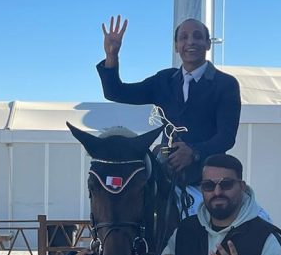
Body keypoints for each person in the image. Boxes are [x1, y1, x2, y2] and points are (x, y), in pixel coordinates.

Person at [96, 15, 241, 186]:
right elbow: (115, 92)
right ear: (176, 46)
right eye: (183, 37)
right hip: (166, 178)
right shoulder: (163, 80)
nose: (190, 42)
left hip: (207, 182)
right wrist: (111, 55)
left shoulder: (225, 84)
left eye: (197, 36)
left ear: (208, 43)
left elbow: (226, 137)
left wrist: (194, 152)